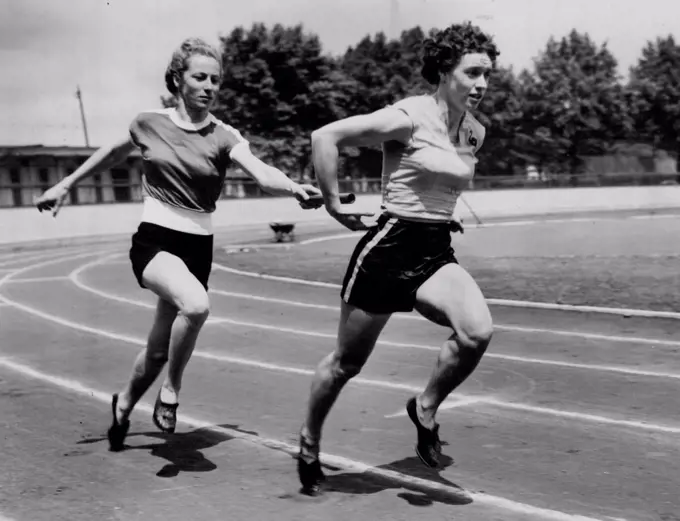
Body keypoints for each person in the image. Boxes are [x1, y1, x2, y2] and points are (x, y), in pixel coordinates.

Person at [34, 37, 322, 452]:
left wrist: (294, 187)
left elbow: (261, 173)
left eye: (216, 80)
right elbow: (111, 154)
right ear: (177, 79)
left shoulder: (224, 135)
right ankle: (171, 392)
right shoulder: (149, 122)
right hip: (156, 240)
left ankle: (124, 405)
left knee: (156, 351)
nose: (208, 86)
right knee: (197, 305)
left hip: (197, 247)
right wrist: (64, 184)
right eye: (199, 77)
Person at [296, 22, 498, 494]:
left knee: (477, 333)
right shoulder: (408, 116)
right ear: (445, 71)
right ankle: (309, 437)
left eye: (488, 74)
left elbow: (440, 186)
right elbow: (325, 137)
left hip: (434, 250)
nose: (483, 84)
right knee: (347, 363)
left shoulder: (475, 132)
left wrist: (444, 216)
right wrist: (334, 204)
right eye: (473, 73)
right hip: (387, 250)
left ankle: (425, 406)